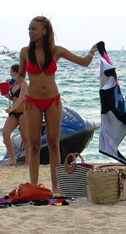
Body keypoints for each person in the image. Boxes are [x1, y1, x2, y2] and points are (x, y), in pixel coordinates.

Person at [15, 16, 98, 193]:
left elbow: (83, 63)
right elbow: (21, 75)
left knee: (54, 144)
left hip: (53, 100)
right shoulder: (24, 52)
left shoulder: (56, 51)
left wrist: (91, 53)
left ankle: (56, 185)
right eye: (29, 29)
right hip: (33, 101)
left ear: (44, 30)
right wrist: (15, 85)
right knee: (34, 144)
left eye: (34, 29)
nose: (30, 32)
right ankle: (34, 185)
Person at [2, 64, 29, 166]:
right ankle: (13, 159)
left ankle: (28, 161)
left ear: (15, 72)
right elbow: (13, 99)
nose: (10, 73)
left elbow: (22, 98)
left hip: (24, 112)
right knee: (5, 132)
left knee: (26, 138)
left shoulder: (24, 84)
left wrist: (12, 108)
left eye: (11, 71)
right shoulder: (13, 84)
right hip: (14, 113)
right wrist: (7, 95)